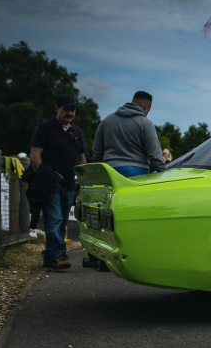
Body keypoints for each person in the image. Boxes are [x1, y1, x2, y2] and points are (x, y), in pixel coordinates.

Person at [29, 94, 86, 269]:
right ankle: (59, 255)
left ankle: (49, 257)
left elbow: (81, 157)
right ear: (57, 108)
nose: (69, 113)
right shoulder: (45, 128)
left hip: (69, 183)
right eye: (66, 109)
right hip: (51, 183)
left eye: (72, 110)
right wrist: (46, 178)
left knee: (62, 222)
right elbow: (35, 155)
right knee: (53, 219)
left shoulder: (76, 132)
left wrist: (84, 179)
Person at [90, 91, 166, 177]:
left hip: (109, 171)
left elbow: (96, 152)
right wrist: (164, 173)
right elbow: (154, 155)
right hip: (136, 172)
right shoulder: (145, 123)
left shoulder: (106, 121)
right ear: (147, 107)